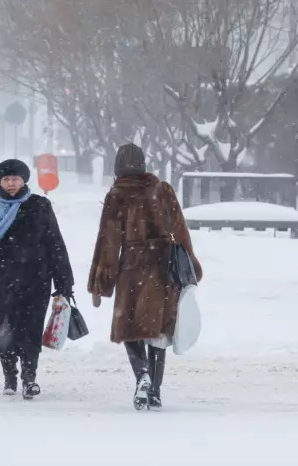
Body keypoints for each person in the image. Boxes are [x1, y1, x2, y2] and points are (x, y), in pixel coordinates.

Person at [88, 144, 202, 411]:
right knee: (158, 331)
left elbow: (108, 242)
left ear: (117, 167)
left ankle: (142, 376)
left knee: (130, 329)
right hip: (164, 270)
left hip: (132, 269)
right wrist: (191, 267)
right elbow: (181, 231)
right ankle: (156, 392)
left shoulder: (117, 195)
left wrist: (100, 283)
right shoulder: (163, 190)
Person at [0, 159, 74, 399]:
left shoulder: (40, 205)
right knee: (5, 328)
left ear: (24, 180)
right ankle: (10, 377)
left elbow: (55, 244)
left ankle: (29, 378)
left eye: (15, 179)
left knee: (31, 328)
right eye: (6, 179)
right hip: (2, 280)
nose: (11, 184)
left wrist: (64, 281)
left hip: (37, 280)